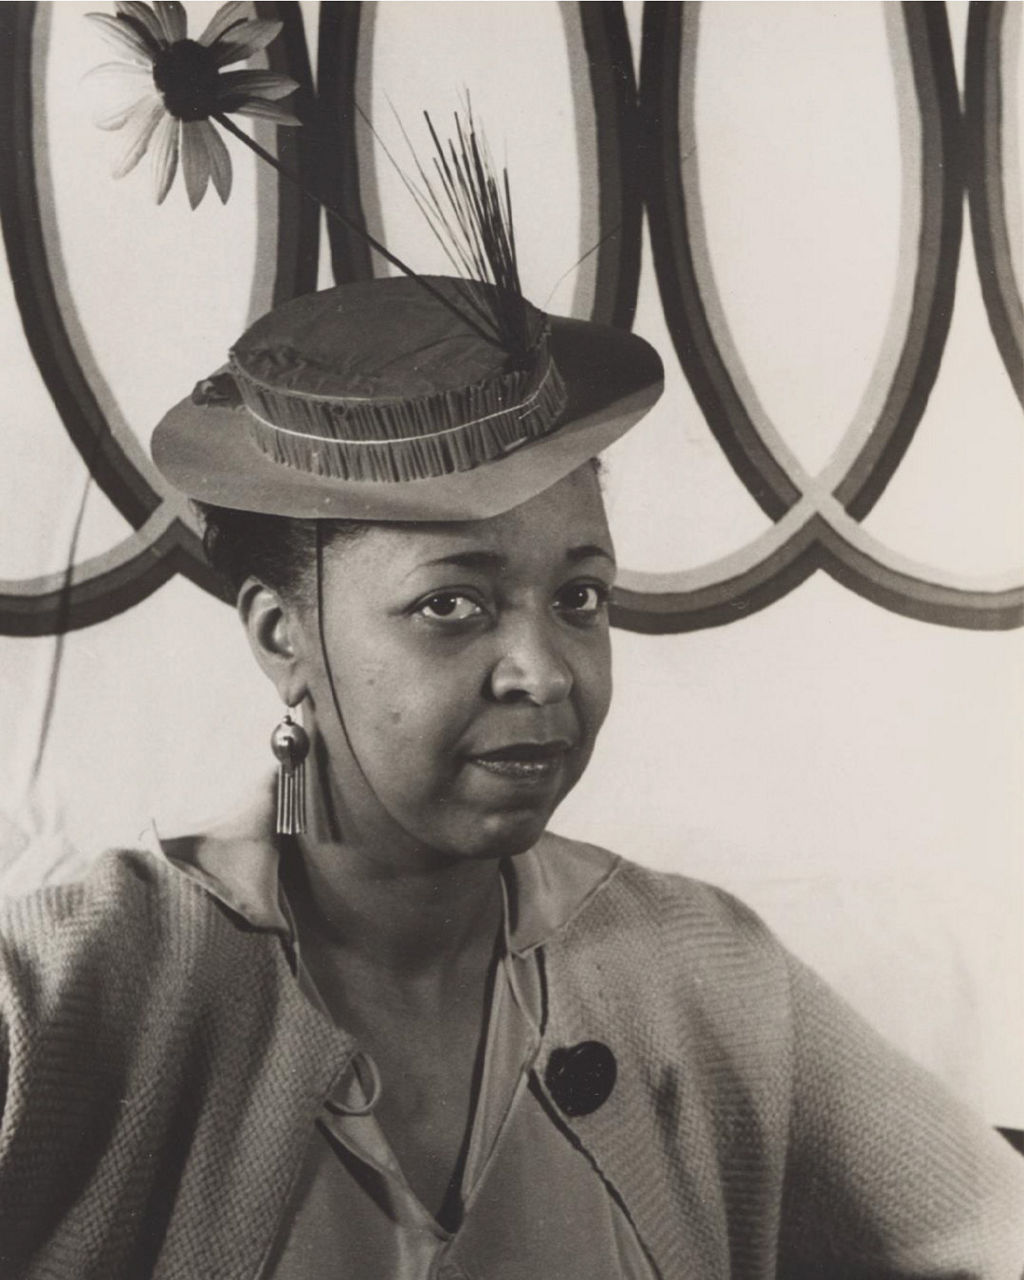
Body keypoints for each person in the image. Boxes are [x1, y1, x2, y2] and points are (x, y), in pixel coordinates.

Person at [0, 260, 1022, 1280]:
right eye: (453, 604)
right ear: (282, 637)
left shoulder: (705, 973)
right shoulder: (73, 989)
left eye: (579, 596)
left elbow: (994, 1227)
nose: (542, 670)